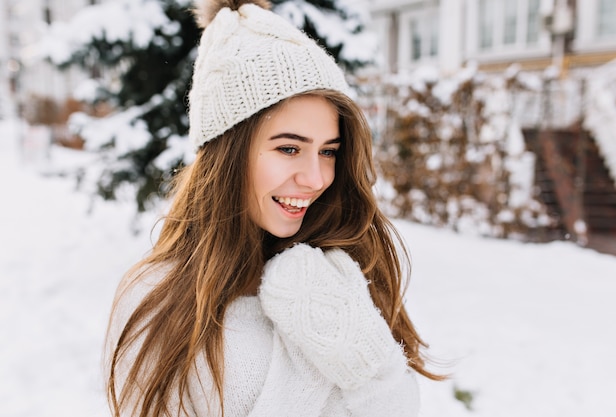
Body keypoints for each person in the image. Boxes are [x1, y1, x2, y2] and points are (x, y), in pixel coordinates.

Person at [105, 0, 443, 416]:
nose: (317, 178)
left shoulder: (343, 274)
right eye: (289, 148)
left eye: (329, 151)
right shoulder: (156, 302)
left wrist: (363, 357)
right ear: (228, 153)